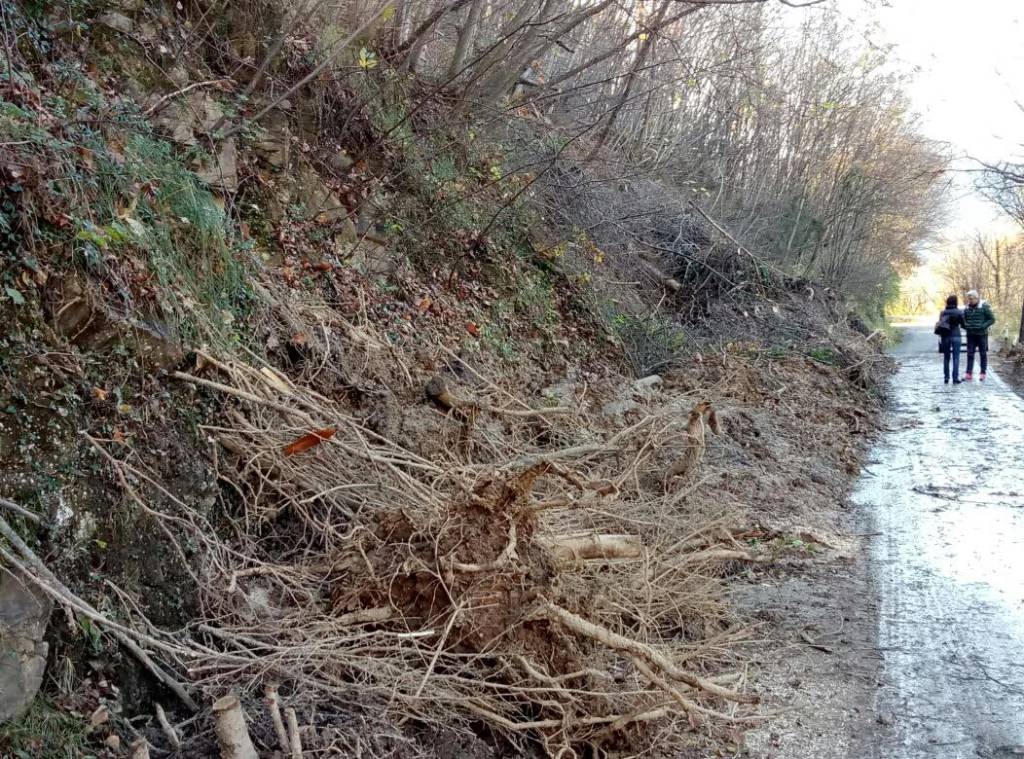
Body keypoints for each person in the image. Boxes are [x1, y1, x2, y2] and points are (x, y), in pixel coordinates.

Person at [962, 290, 996, 381]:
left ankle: (983, 373)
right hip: (971, 335)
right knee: (970, 354)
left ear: (977, 298)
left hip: (982, 335)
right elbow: (963, 321)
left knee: (983, 354)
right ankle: (969, 373)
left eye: (972, 299)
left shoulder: (984, 307)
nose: (970, 300)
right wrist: (967, 327)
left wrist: (983, 326)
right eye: (969, 299)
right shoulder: (966, 308)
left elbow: (992, 319)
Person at [935, 295, 965, 384]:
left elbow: (940, 324)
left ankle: (946, 377)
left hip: (945, 336)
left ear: (947, 302)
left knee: (946, 357)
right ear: (956, 302)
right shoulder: (959, 312)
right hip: (956, 336)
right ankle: (955, 378)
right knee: (956, 358)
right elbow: (963, 324)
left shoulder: (943, 313)